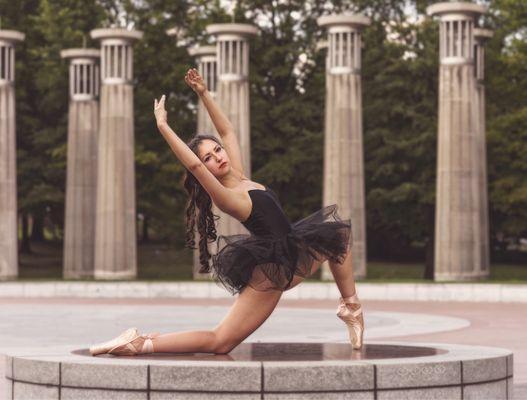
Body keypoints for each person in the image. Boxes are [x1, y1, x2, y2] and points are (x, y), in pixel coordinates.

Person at [89, 68, 364, 357]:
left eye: (217, 151)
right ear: (204, 168)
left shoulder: (243, 178)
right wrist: (163, 127)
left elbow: (227, 131)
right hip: (273, 270)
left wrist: (204, 93)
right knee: (219, 342)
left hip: (291, 250)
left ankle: (351, 308)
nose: (217, 157)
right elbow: (193, 166)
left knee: (338, 236)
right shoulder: (228, 197)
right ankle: (138, 343)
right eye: (208, 158)